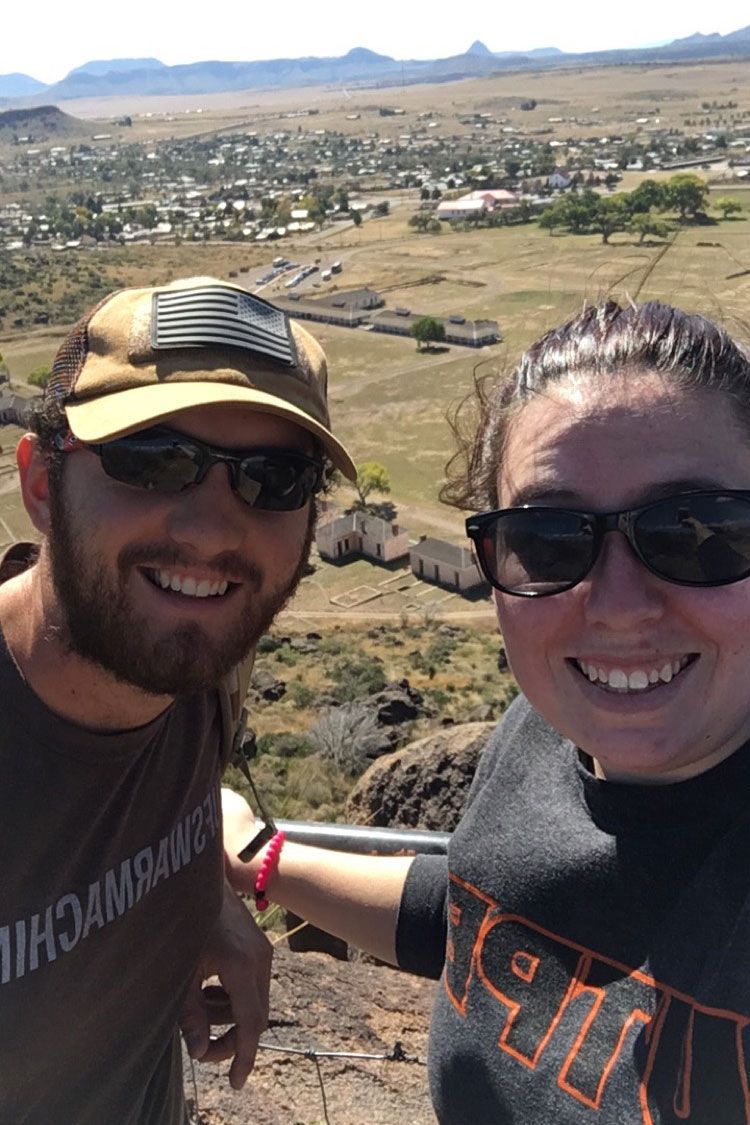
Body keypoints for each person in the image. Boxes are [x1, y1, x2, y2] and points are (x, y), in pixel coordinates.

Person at [223, 299, 750, 1124]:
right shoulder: (542, 730)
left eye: (693, 531)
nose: (614, 606)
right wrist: (257, 857)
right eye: (546, 540)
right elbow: (488, 914)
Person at [0, 276, 356, 1124]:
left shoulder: (201, 661)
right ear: (43, 483)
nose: (210, 530)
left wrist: (206, 898)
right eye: (153, 459)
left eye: (274, 479)